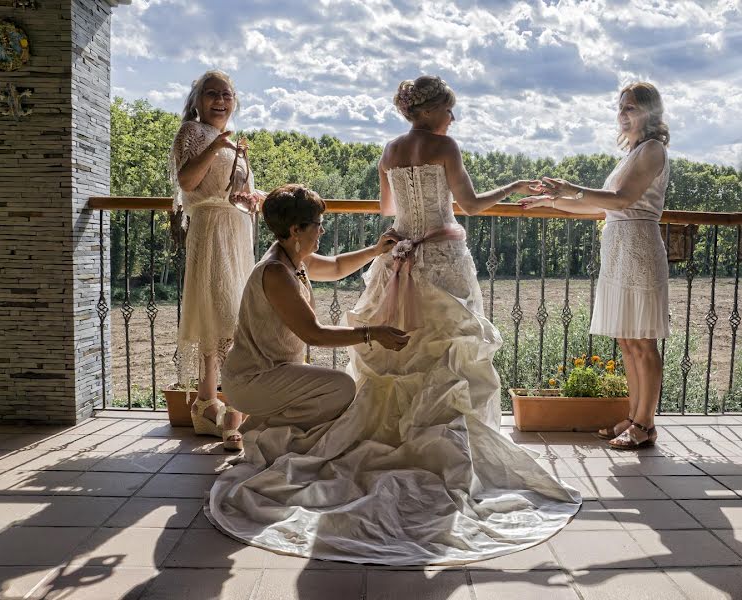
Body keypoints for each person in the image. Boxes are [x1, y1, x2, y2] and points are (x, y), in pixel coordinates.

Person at [206, 77, 581, 565]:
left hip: (400, 254)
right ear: (432, 113)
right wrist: (514, 187)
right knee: (448, 355)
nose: (454, 118)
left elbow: (387, 209)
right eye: (451, 109)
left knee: (399, 362)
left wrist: (397, 232)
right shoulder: (444, 145)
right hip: (442, 260)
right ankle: (443, 445)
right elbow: (470, 205)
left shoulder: (390, 148)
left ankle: (392, 436)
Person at [520, 81, 670, 450]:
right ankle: (634, 417)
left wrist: (570, 187)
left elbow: (622, 199)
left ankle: (645, 426)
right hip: (618, 248)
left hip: (638, 248)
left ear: (650, 112)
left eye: (631, 107)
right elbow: (599, 207)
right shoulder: (630, 154)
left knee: (643, 341)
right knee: (626, 339)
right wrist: (552, 203)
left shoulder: (652, 150)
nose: (623, 114)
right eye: (621, 107)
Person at [220, 184, 409, 460]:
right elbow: (314, 335)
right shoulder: (276, 272)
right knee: (341, 388)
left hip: (273, 371)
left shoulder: (294, 258)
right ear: (296, 230)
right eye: (317, 224)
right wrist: (374, 333)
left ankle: (259, 425)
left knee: (336, 388)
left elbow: (335, 267)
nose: (321, 230)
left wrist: (376, 250)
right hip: (252, 379)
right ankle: (262, 435)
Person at [170, 70, 262, 450]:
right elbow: (187, 182)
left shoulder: (232, 142)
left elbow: (237, 192)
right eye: (212, 94)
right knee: (222, 316)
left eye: (227, 94)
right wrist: (218, 146)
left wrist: (254, 199)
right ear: (198, 100)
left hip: (236, 232)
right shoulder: (192, 132)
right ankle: (233, 411)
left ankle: (207, 404)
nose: (221, 100)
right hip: (210, 232)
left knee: (230, 315)